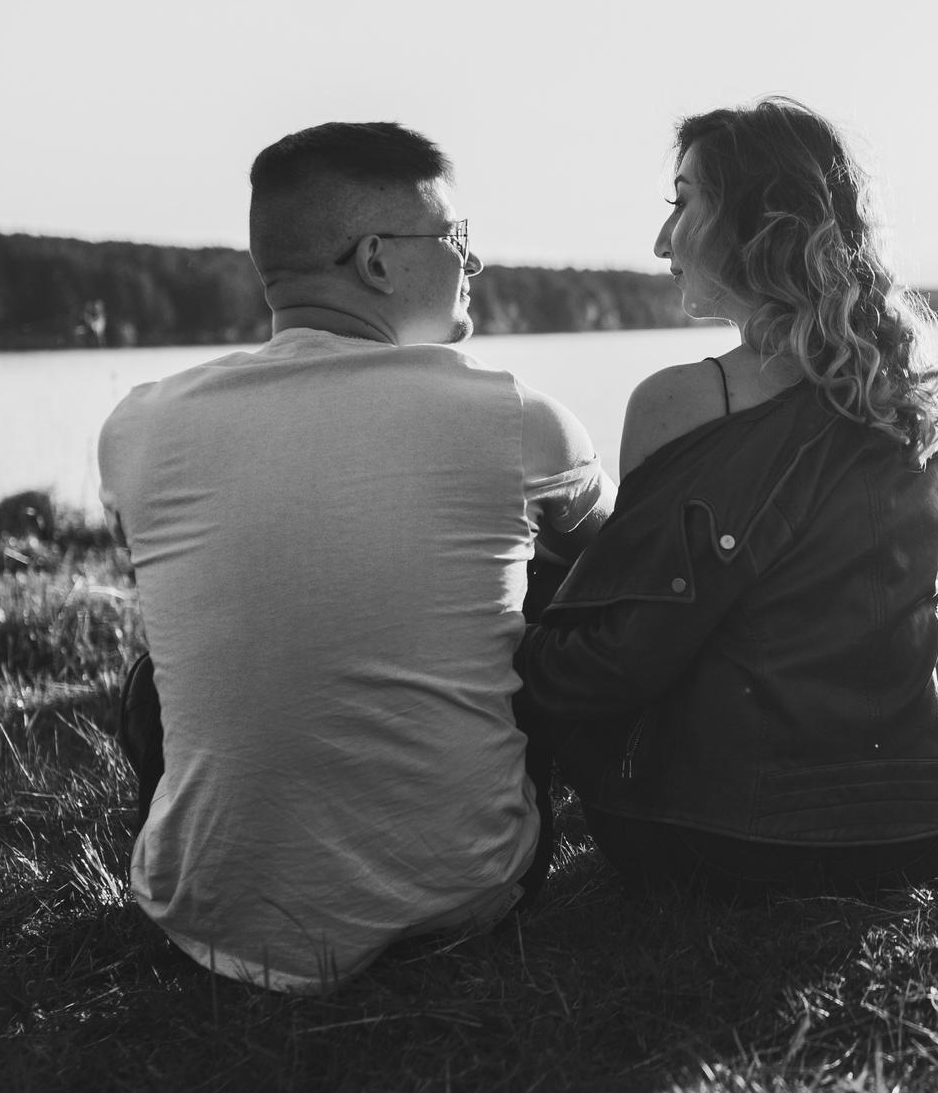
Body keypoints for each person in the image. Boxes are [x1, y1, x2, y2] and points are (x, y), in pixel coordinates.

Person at [99, 121, 612, 992]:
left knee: (166, 665)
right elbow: (616, 554)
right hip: (472, 894)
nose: (471, 264)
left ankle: (236, 853)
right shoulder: (511, 415)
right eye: (454, 239)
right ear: (376, 260)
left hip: (201, 916)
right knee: (562, 585)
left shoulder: (140, 426)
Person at [515, 98, 938, 900]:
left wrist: (511, 637)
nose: (660, 240)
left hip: (729, 837)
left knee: (535, 579)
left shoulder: (681, 400)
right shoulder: (914, 394)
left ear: (755, 223)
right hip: (920, 823)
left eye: (681, 202)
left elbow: (623, 653)